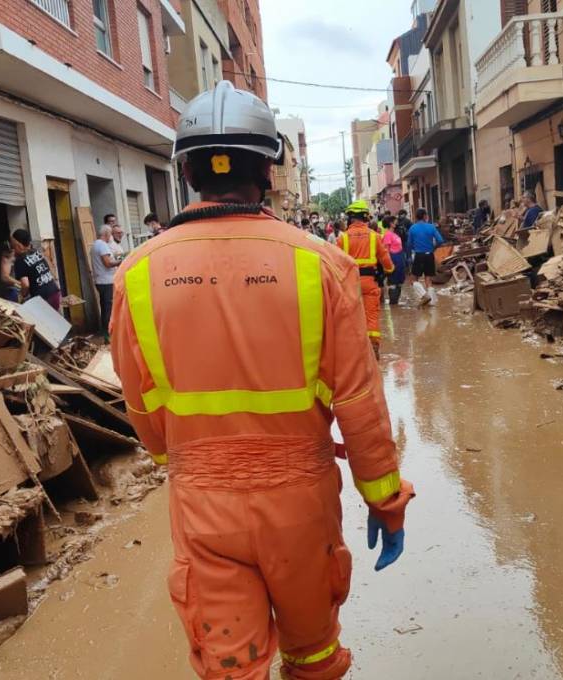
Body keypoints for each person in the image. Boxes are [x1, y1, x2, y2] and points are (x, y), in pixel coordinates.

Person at [110, 81, 413, 680]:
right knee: (315, 656)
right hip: (301, 504)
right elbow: (360, 401)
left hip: (202, 503)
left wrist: (186, 457)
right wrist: (386, 501)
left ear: (188, 171)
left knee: (231, 667)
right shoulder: (320, 264)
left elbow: (140, 402)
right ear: (270, 169)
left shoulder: (138, 273)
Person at [338, 199, 395, 359]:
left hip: (350, 284)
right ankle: (373, 346)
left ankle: (356, 352)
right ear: (365, 217)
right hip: (370, 281)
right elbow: (385, 258)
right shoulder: (374, 236)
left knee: (351, 316)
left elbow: (335, 261)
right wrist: (390, 270)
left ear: (350, 217)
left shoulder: (343, 238)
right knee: (371, 315)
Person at [10, 229, 61, 311]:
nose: (13, 249)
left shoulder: (20, 260)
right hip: (54, 293)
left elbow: (26, 285)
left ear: (18, 245)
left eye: (13, 245)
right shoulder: (36, 252)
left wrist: (22, 296)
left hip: (43, 299)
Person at [406, 207, 444, 307]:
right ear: (424, 216)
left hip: (418, 255)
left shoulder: (412, 228)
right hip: (429, 255)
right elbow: (440, 240)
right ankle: (431, 303)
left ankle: (424, 295)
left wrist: (409, 257)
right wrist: (433, 248)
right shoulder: (431, 227)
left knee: (413, 280)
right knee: (428, 279)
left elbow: (409, 245)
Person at [91, 224, 120, 342]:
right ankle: (109, 335)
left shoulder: (94, 245)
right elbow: (107, 263)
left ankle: (107, 333)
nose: (111, 237)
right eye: (111, 234)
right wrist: (120, 262)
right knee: (108, 308)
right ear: (107, 234)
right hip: (106, 281)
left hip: (100, 280)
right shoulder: (103, 246)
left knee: (105, 307)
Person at [381, 216, 406, 305]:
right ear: (391, 223)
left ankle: (396, 304)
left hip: (399, 259)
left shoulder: (394, 234)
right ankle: (393, 304)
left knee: (399, 282)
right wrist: (389, 263)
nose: (397, 222)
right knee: (393, 282)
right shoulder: (387, 234)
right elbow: (386, 250)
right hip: (393, 259)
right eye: (395, 221)